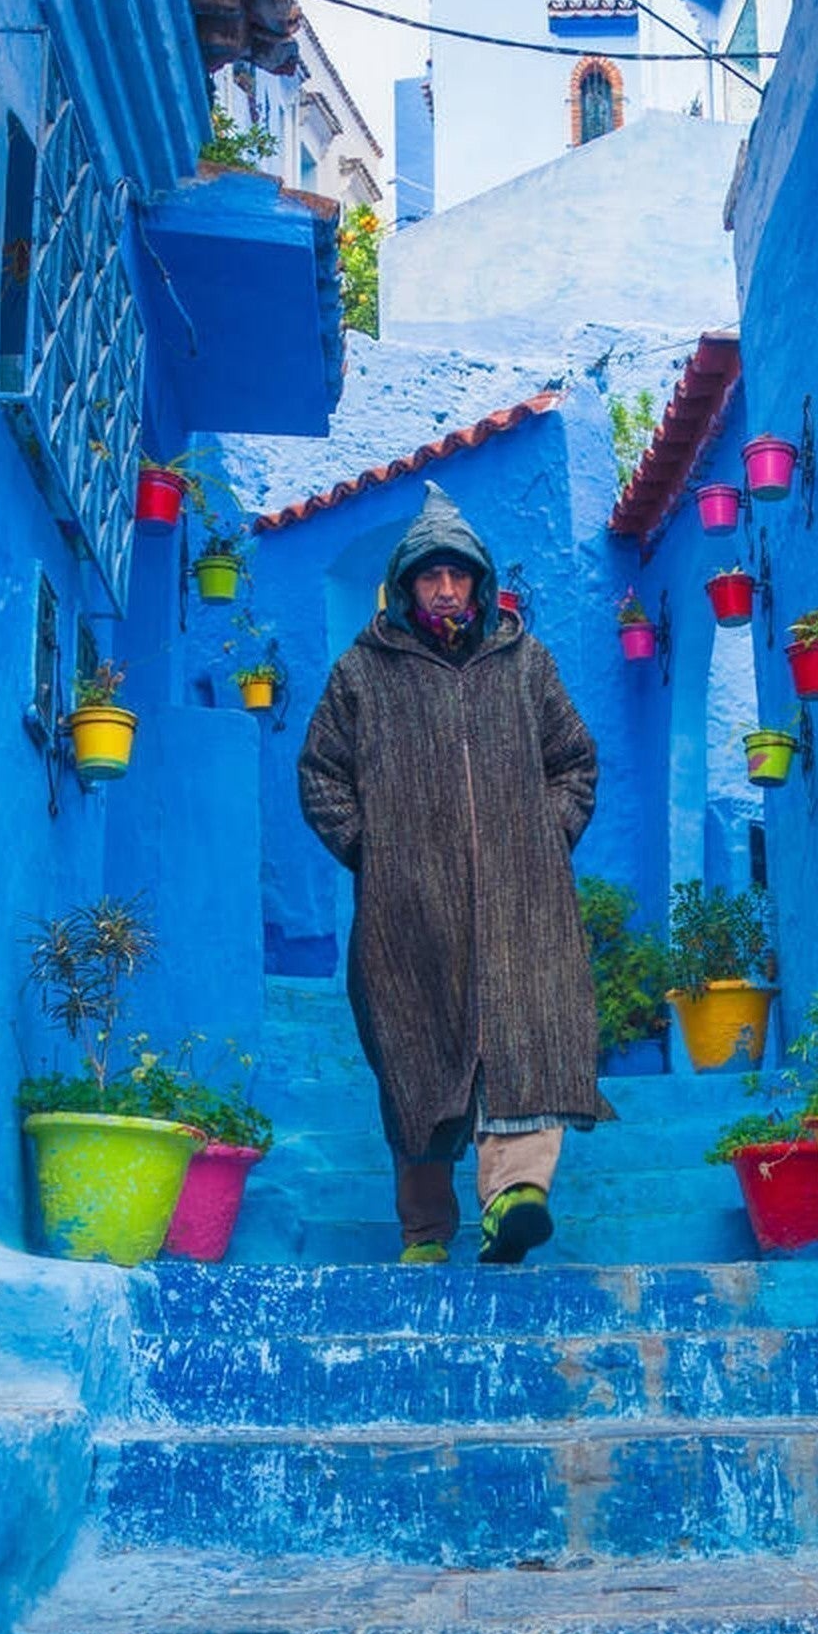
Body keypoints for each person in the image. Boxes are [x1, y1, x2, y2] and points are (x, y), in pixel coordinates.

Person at [298, 482, 609, 1265]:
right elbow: (321, 773)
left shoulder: (526, 664)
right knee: (415, 1050)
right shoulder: (362, 673)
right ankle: (425, 1229)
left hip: (521, 905)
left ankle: (516, 1198)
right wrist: (377, 851)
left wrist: (545, 836)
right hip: (409, 912)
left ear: (479, 581)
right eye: (429, 575)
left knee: (527, 1033)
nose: (444, 588)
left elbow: (574, 761)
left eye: (457, 574)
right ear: (405, 586)